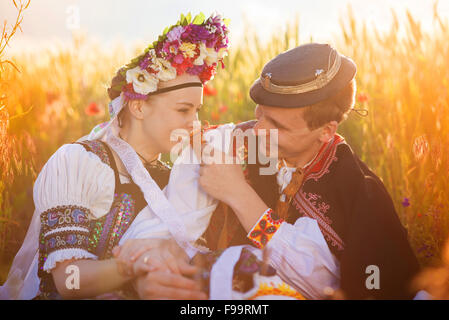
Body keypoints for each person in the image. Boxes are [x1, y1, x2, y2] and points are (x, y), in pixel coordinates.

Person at [0, 12, 229, 300]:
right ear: (139, 108)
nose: (193, 123)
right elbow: (69, 282)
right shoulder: (78, 162)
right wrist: (134, 266)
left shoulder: (174, 180)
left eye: (197, 112)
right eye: (183, 110)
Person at [197, 43, 421, 299]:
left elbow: (332, 285)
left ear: (326, 131)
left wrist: (238, 195)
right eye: (260, 114)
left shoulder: (361, 193)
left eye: (277, 126)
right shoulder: (239, 142)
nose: (258, 130)